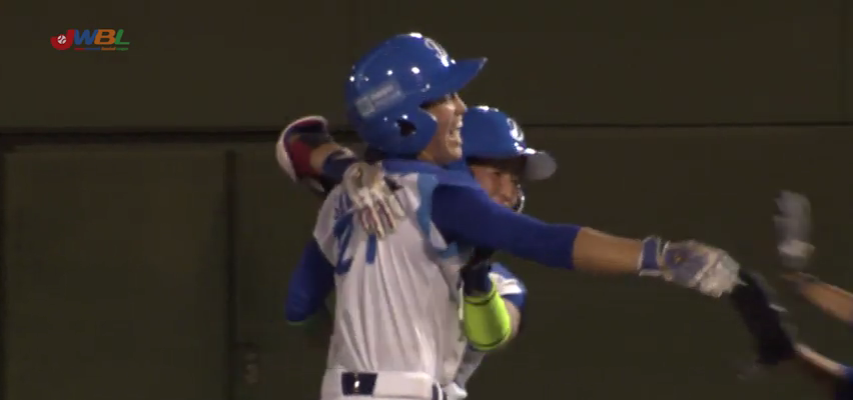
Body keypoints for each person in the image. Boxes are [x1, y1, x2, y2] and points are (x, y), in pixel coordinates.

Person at [291, 32, 742, 400]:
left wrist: (352, 359)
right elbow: (544, 241)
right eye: (445, 97)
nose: (460, 107)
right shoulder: (439, 193)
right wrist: (655, 256)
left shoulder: (346, 196)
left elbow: (300, 303)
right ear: (406, 117)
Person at [282, 105, 557, 399]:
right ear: (456, 167)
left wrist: (346, 358)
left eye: (514, 180)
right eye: (497, 173)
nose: (508, 192)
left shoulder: (500, 282)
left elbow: (492, 336)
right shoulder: (393, 204)